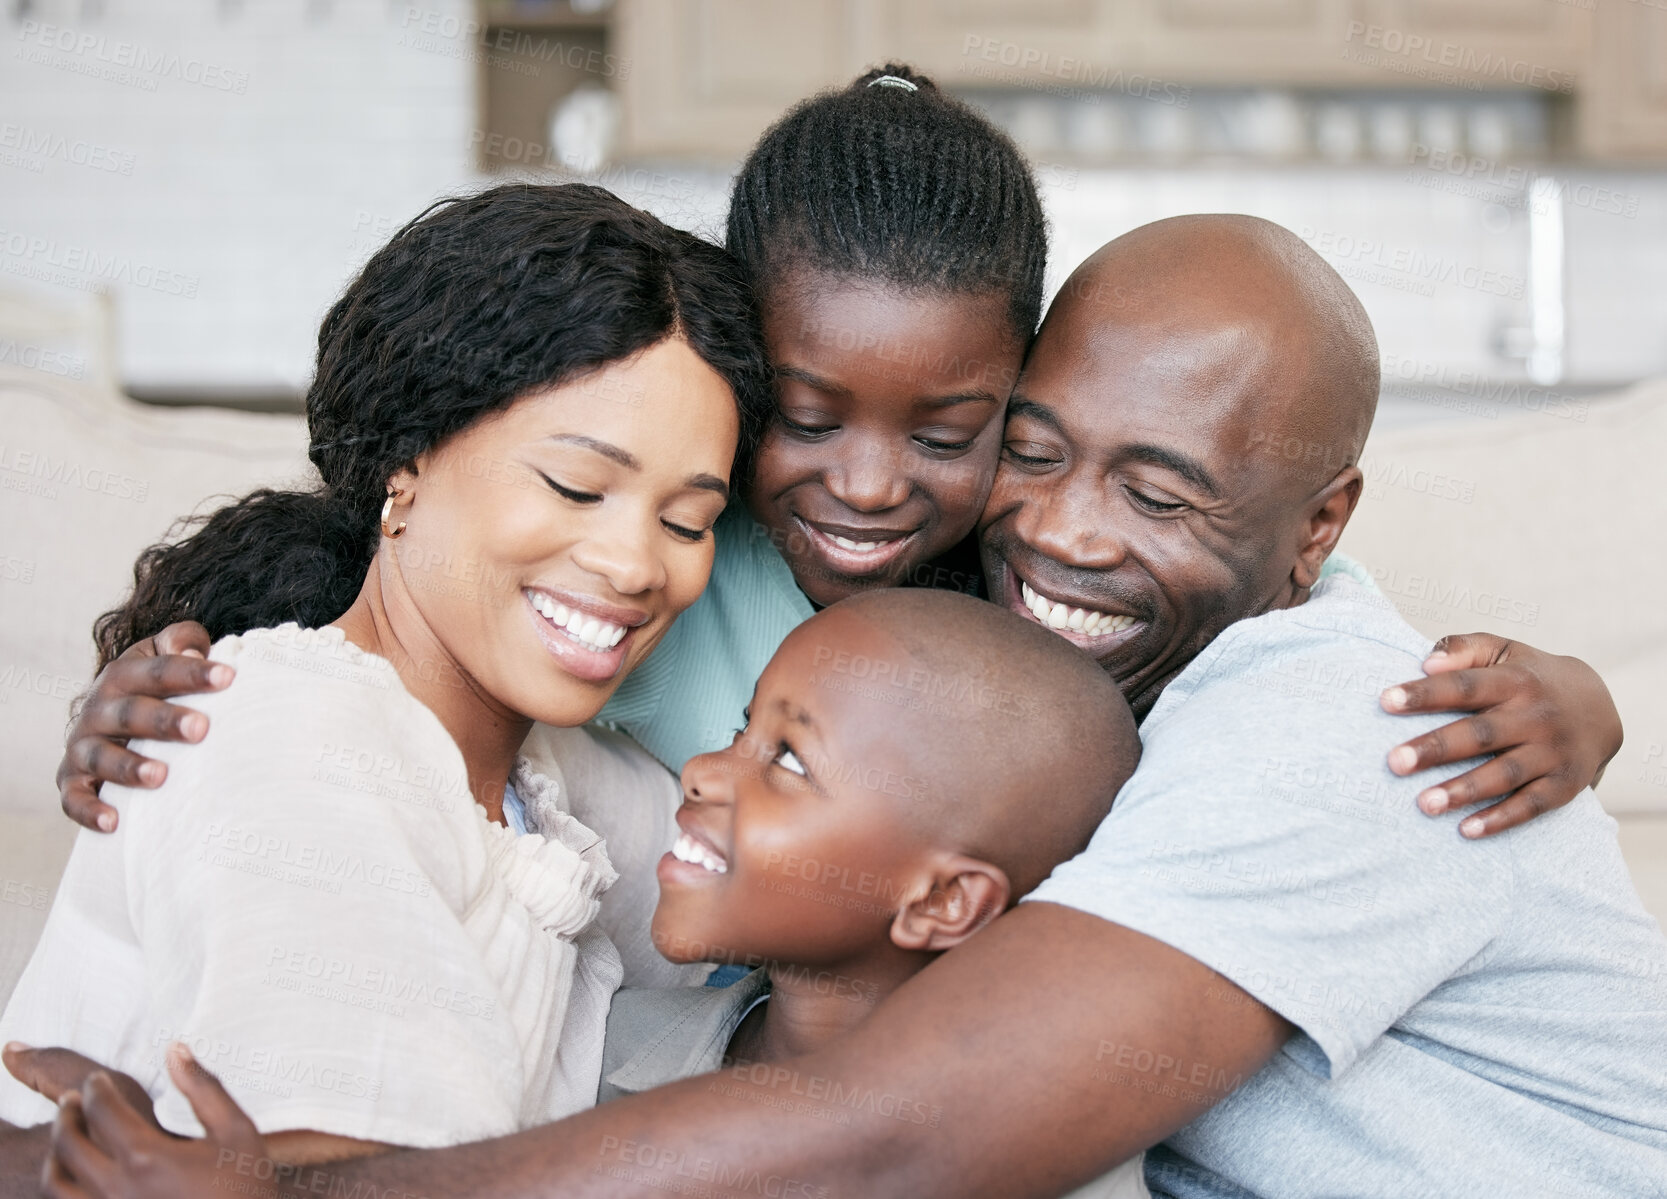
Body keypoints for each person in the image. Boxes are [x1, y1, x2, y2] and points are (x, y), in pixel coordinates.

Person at [24, 215, 1662, 1199]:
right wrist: (204, 638)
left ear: (1319, 525)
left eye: (1161, 491)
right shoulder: (1010, 667)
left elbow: (888, 1141)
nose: (1063, 530)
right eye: (1031, 446)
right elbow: (469, 552)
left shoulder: (1353, 723)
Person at [52, 67, 1623, 843]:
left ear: (1025, 394)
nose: (870, 487)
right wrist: (173, 684)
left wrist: (1578, 700)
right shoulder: (655, 532)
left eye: (953, 431)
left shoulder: (1040, 564)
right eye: (804, 416)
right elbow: (376, 580)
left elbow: (1302, 589)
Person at [0, 183, 774, 1176]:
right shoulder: (293, 730)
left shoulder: (549, 780)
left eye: (685, 521)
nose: (632, 563)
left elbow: (797, 877)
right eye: (576, 487)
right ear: (406, 459)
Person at [599, 590, 1148, 1199]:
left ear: (942, 901)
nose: (703, 769)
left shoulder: (1055, 1173)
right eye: (741, 727)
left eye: (791, 762)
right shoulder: (610, 1041)